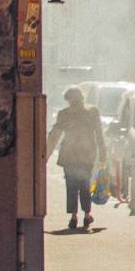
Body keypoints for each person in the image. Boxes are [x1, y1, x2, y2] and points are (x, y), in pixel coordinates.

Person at [47, 87, 105, 232]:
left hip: (69, 155)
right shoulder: (92, 111)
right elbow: (99, 134)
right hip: (87, 154)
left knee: (71, 186)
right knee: (85, 185)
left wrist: (45, 155)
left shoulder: (64, 114)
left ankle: (73, 217)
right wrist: (103, 154)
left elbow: (55, 135)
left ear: (67, 99)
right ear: (82, 96)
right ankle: (87, 214)